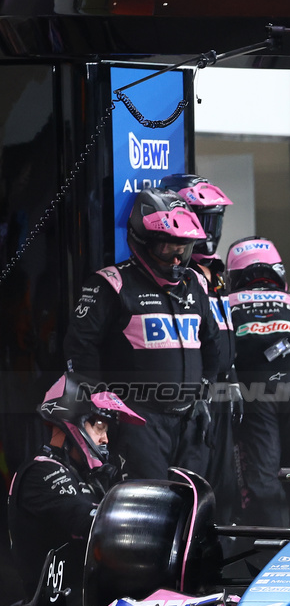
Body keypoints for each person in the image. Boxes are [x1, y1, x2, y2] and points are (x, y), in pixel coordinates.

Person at [63, 189, 222, 481]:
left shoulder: (195, 284)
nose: (176, 260)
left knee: (193, 505)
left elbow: (211, 343)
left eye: (183, 250)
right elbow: (79, 347)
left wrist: (205, 391)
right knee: (149, 504)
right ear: (142, 241)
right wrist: (100, 405)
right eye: (167, 249)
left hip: (190, 420)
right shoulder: (111, 283)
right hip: (139, 424)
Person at [8, 374, 142, 604]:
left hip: (92, 605)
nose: (105, 439)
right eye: (99, 426)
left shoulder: (88, 477)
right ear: (74, 422)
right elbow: (85, 520)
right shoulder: (40, 472)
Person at [159, 174, 242, 525]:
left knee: (225, 487)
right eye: (203, 218)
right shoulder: (180, 273)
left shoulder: (218, 272)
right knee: (193, 485)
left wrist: (233, 378)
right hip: (196, 396)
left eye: (215, 219)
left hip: (224, 391)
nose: (210, 229)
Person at [226, 237, 290, 527]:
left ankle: (266, 555)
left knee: (262, 481)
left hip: (252, 390)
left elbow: (217, 355)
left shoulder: (224, 304)